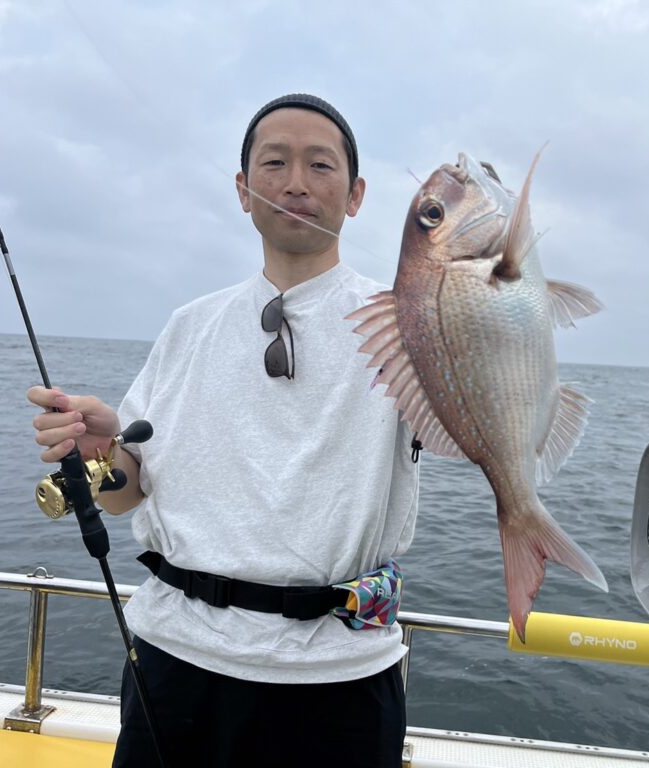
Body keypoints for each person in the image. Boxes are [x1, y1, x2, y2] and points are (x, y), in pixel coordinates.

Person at [27, 93, 419, 767]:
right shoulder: (190, 326)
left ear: (355, 195)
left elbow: (476, 437)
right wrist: (104, 452)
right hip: (174, 662)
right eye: (275, 162)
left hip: (338, 677)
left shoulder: (409, 329)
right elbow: (126, 495)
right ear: (243, 190)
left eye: (320, 165)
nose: (296, 182)